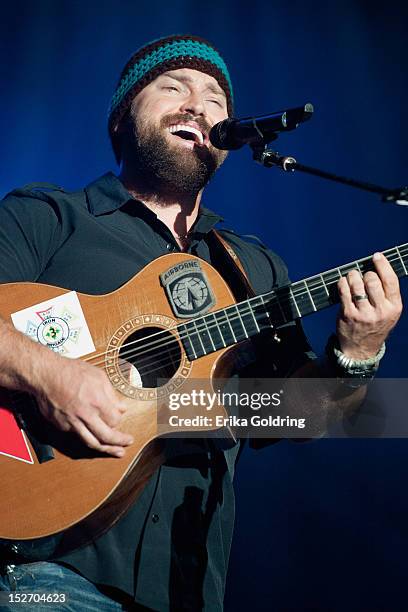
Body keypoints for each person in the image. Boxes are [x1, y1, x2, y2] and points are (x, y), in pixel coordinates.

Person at [0, 35, 402, 611]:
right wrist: (50, 375)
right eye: (172, 87)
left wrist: (359, 352)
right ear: (121, 119)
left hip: (187, 590)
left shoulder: (254, 267)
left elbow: (296, 417)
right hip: (44, 573)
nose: (198, 105)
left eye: (216, 99)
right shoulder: (49, 216)